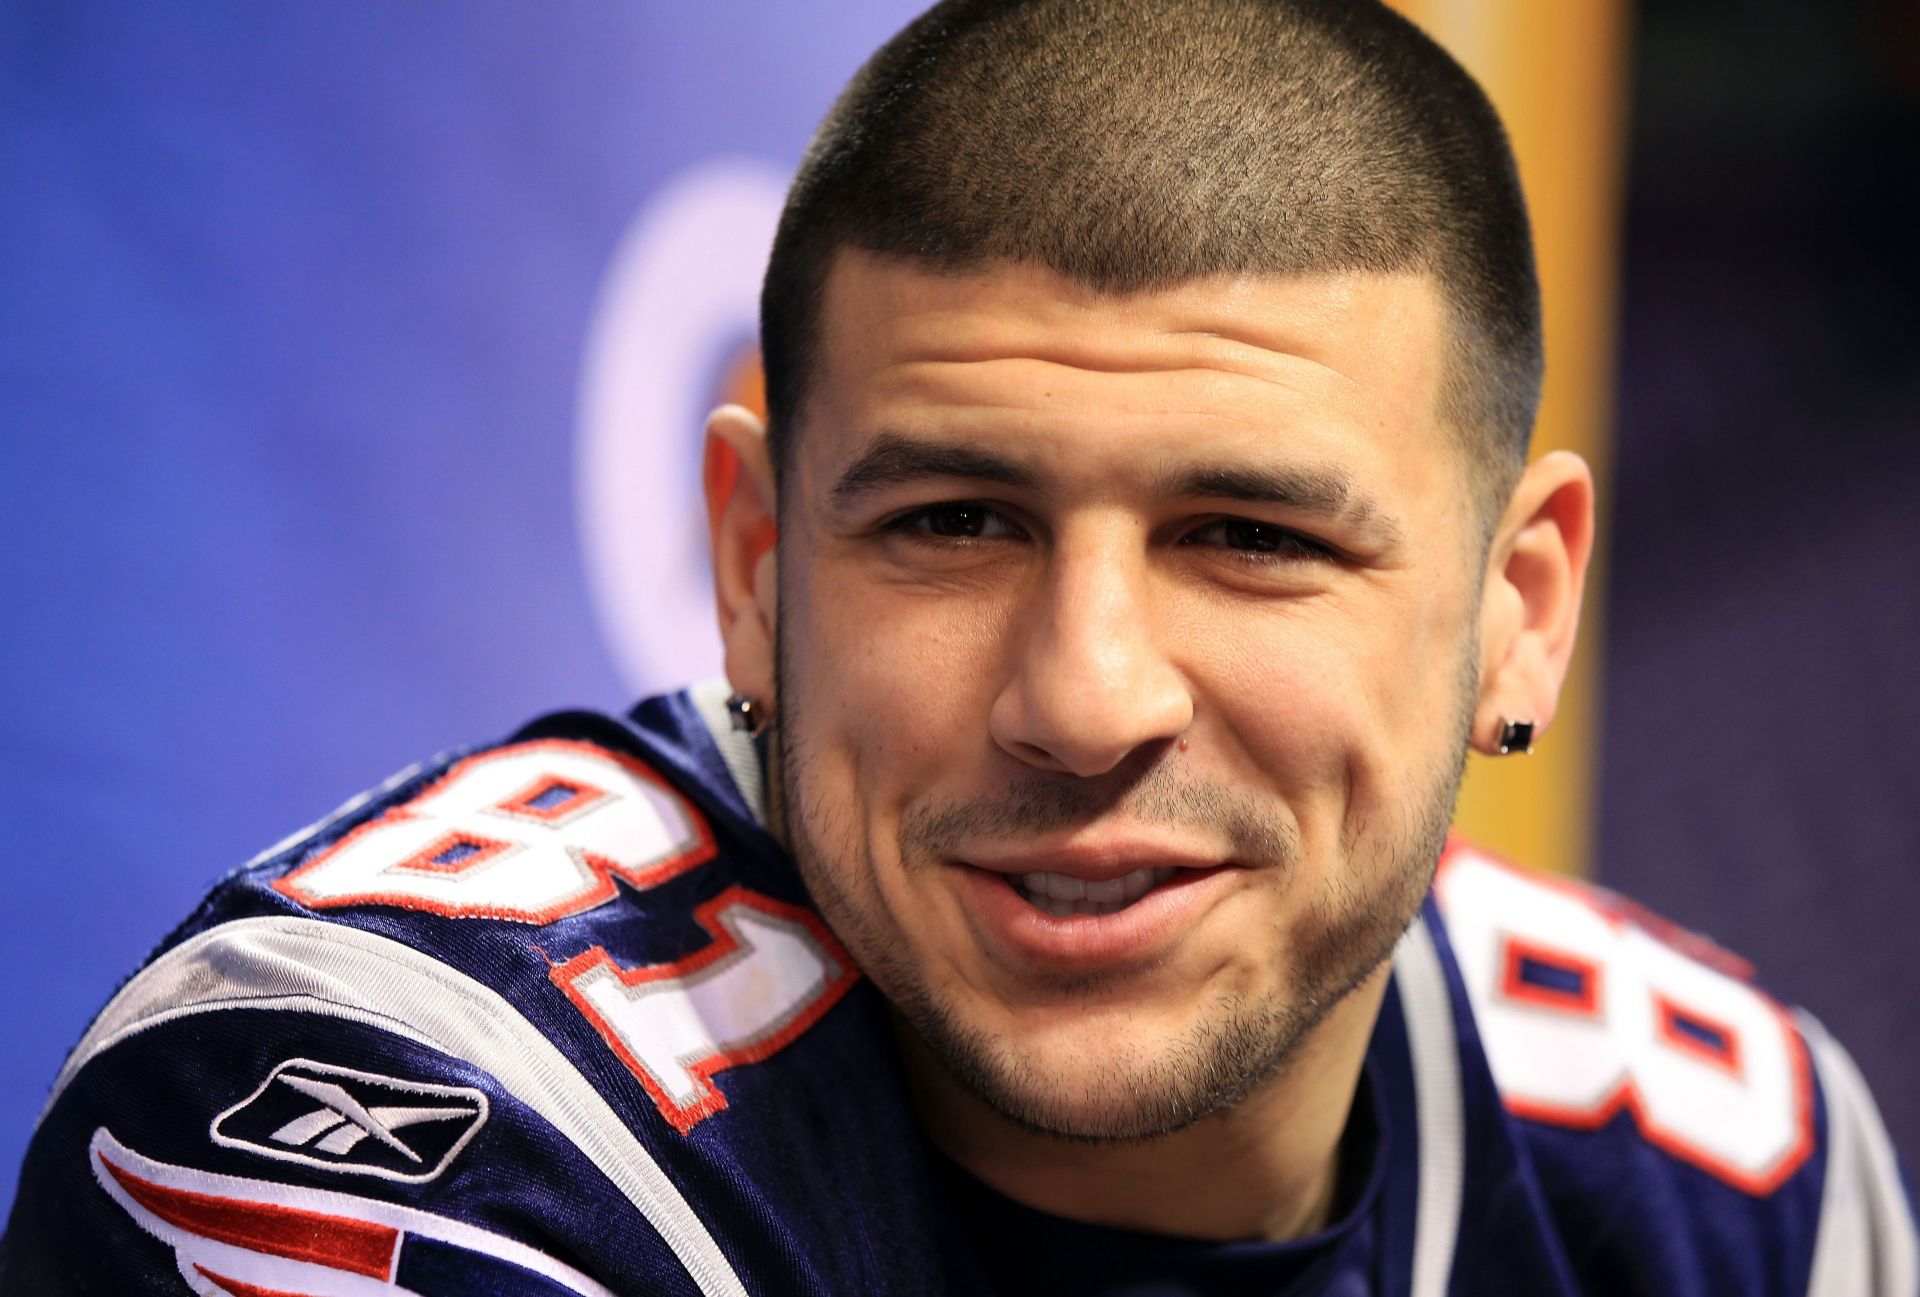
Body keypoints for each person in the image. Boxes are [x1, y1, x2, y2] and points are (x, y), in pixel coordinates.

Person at [3, 0, 1912, 1292]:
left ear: (1518, 611)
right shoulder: (388, 1125)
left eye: (1248, 538)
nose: (1084, 698)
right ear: (753, 561)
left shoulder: (1730, 1171)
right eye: (953, 524)